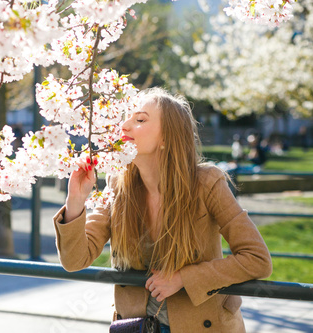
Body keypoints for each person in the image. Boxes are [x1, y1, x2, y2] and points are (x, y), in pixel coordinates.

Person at [53, 87, 272, 333]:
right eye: (126, 117)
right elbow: (74, 261)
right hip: (137, 326)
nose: (124, 126)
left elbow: (257, 259)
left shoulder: (207, 183)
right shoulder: (117, 184)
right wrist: (75, 201)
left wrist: (183, 278)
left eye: (140, 119)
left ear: (167, 137)